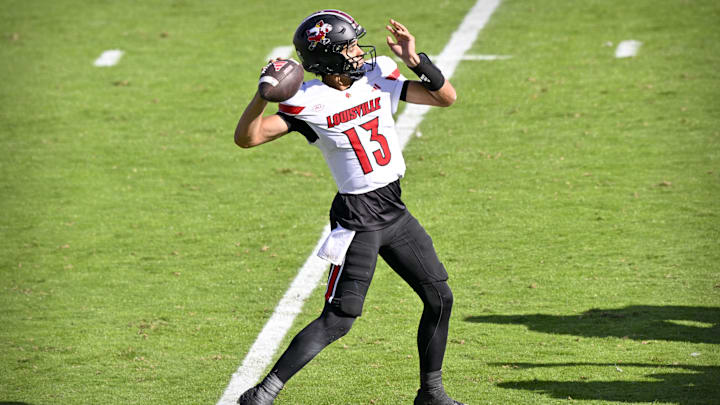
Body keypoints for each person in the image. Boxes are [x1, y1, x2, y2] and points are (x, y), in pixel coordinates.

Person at [234, 9, 462, 405]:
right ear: (329, 57)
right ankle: (262, 393)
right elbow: (248, 138)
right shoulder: (307, 101)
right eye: (350, 46)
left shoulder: (378, 75)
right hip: (357, 220)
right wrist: (262, 95)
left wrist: (416, 60)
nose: (359, 51)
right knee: (339, 320)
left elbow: (445, 98)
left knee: (439, 297)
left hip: (394, 209)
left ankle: (432, 395)